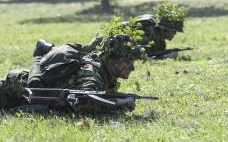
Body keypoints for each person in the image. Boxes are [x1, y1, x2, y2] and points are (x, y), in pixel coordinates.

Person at [0, 34, 146, 114]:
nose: (132, 67)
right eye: (127, 62)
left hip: (24, 94)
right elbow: (83, 104)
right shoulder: (91, 74)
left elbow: (101, 95)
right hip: (13, 87)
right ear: (112, 60)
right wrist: (118, 104)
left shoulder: (104, 70)